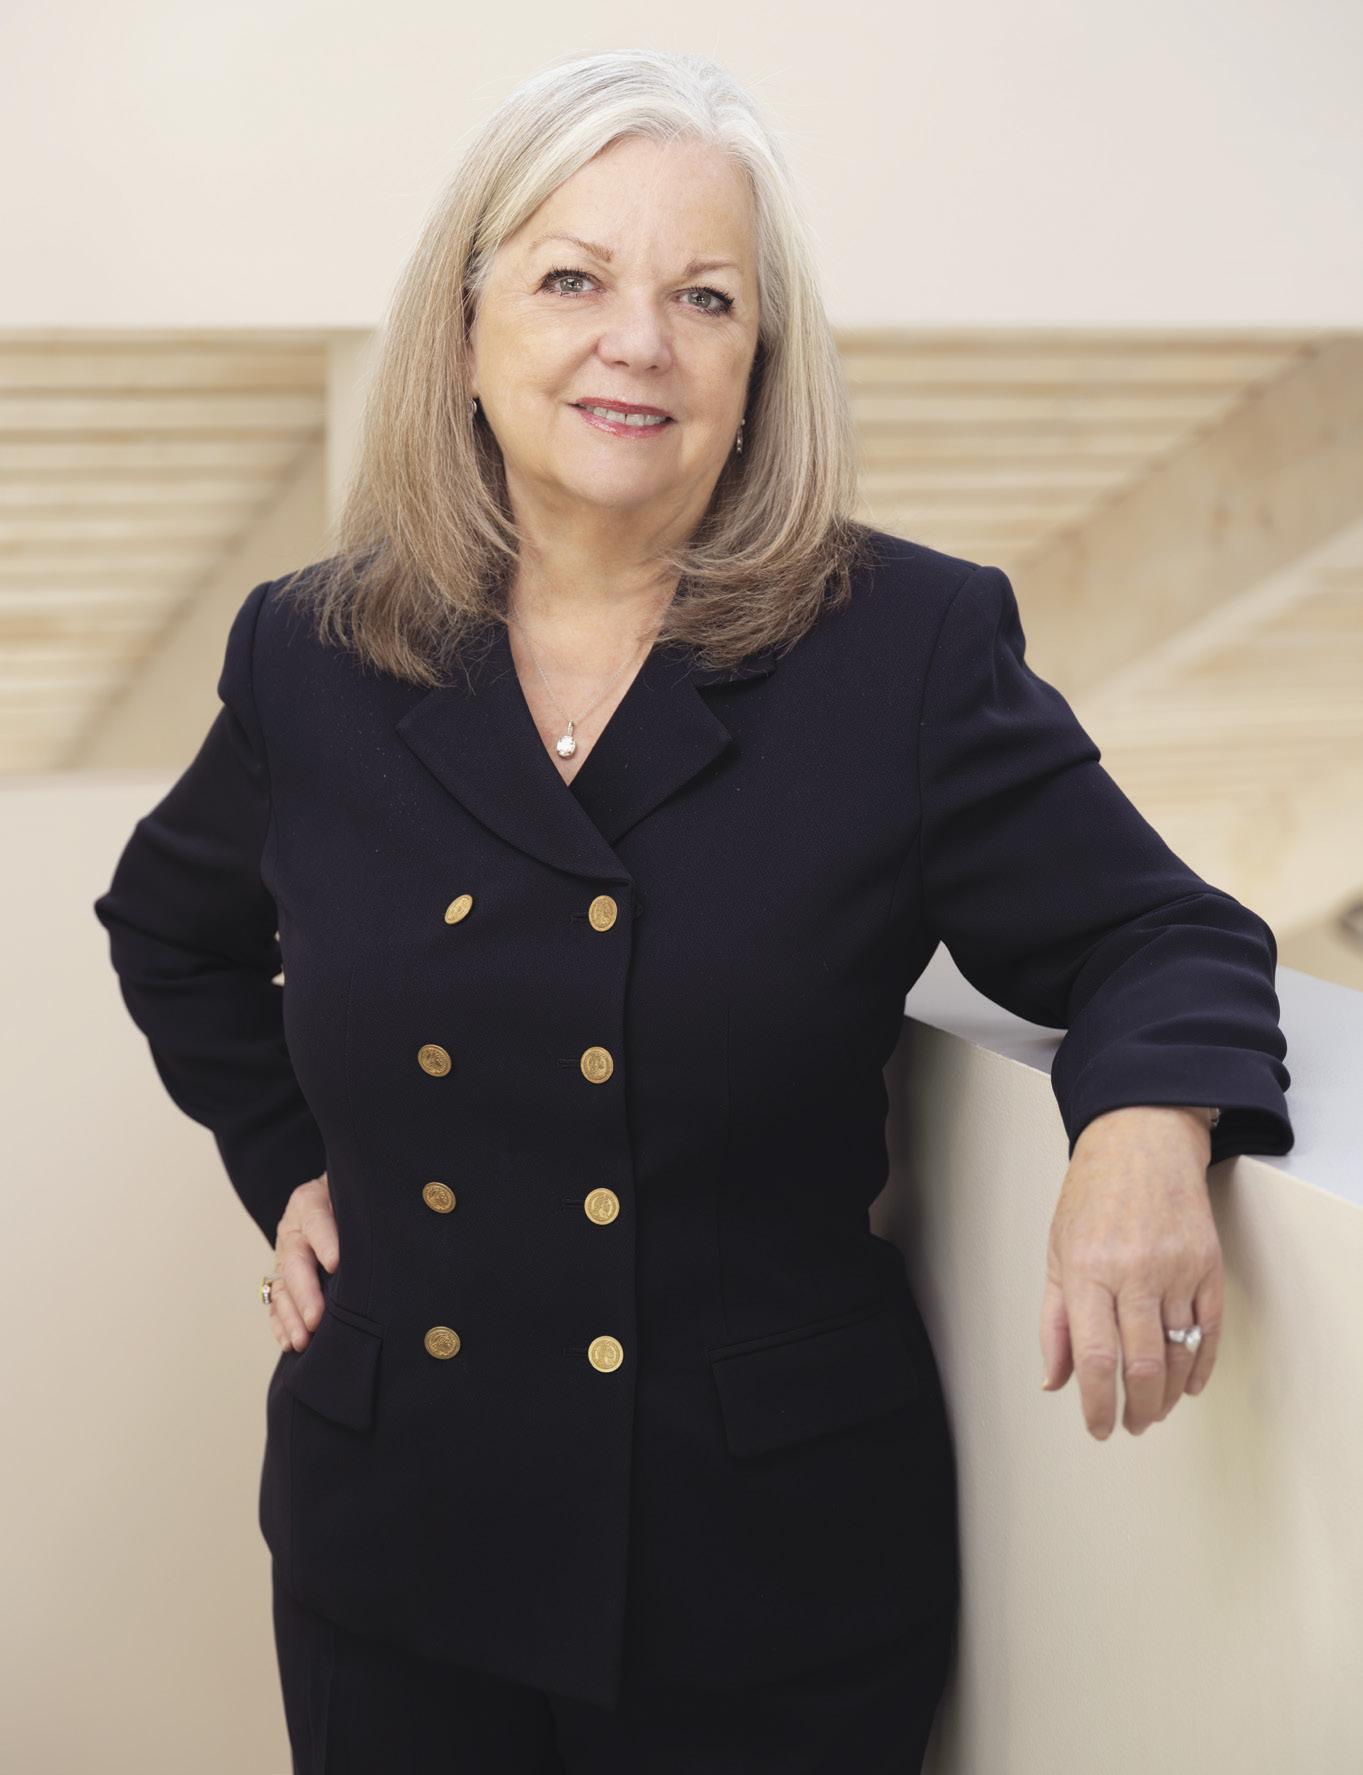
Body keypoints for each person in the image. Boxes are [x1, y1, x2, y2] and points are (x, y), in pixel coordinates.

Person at [91, 47, 1293, 1774]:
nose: (637, 342)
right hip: (396, 1550)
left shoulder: (904, 648)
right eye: (573, 279)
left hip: (765, 1582)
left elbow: (1158, 930)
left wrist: (1143, 1129)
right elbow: (173, 929)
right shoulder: (315, 648)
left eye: (704, 298)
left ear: (760, 366)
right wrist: (287, 1164)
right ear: (465, 326)